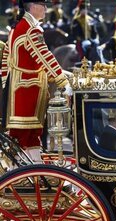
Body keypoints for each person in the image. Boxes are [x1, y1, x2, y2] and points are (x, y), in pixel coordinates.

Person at [1, 0, 69, 163]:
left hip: (19, 89)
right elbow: (44, 56)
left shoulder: (19, 27)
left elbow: (5, 59)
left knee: (30, 136)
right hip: (28, 90)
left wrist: (5, 82)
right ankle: (21, 172)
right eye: (43, 5)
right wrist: (62, 81)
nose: (46, 9)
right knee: (24, 135)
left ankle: (35, 169)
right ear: (33, 6)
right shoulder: (31, 30)